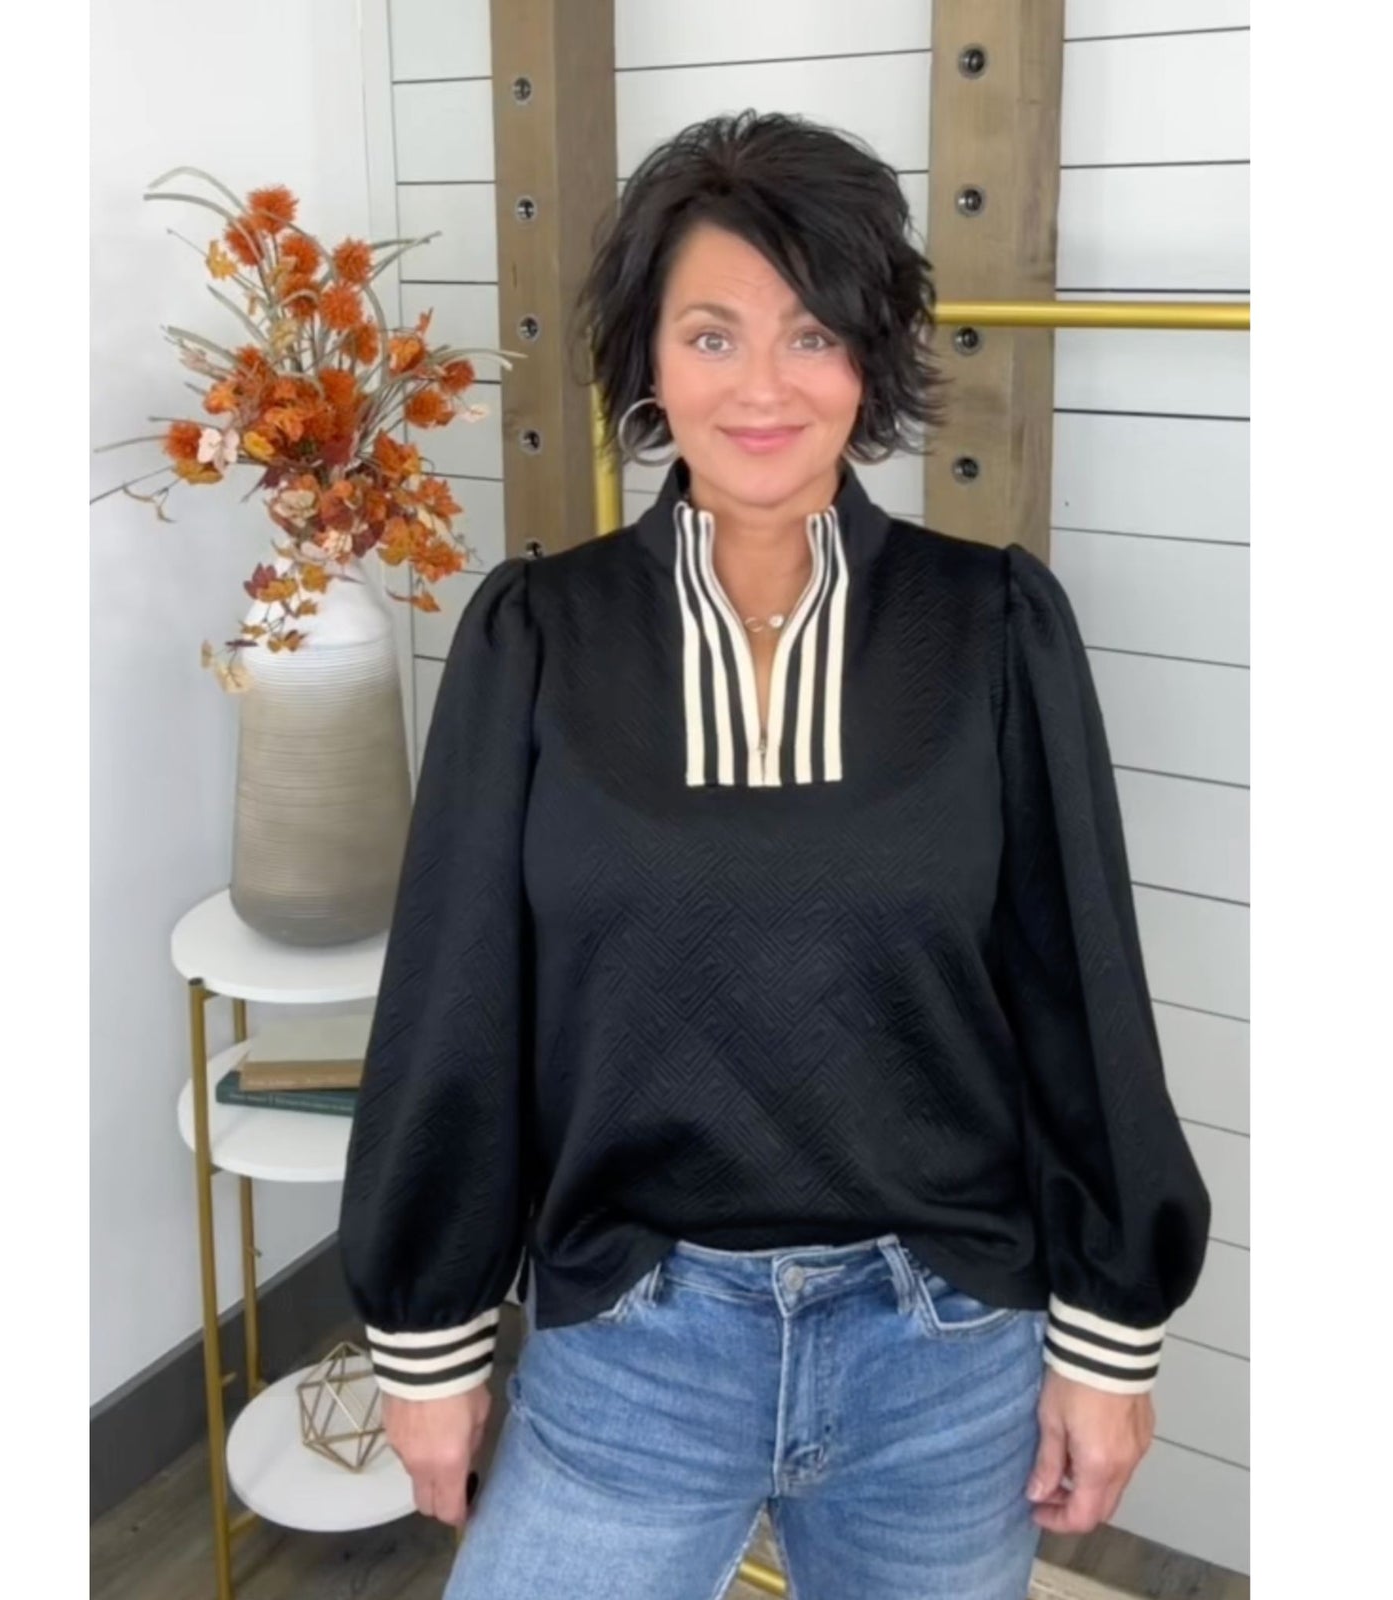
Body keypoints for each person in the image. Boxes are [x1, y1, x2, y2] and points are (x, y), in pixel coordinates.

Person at [338, 109, 1211, 1600]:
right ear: (648, 359)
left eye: (812, 336)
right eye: (712, 334)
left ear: (870, 360)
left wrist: (1108, 1345)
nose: (761, 387)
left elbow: (1083, 997)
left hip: (945, 1349)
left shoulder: (993, 628)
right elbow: (456, 999)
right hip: (636, 1340)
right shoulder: (538, 635)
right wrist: (430, 1344)